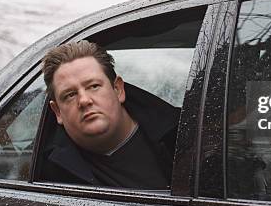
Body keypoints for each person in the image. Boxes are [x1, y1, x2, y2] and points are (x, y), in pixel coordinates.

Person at [41, 41, 179, 189]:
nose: (84, 100)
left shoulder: (184, 135)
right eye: (70, 95)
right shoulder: (44, 173)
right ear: (57, 112)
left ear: (118, 89)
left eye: (94, 86)